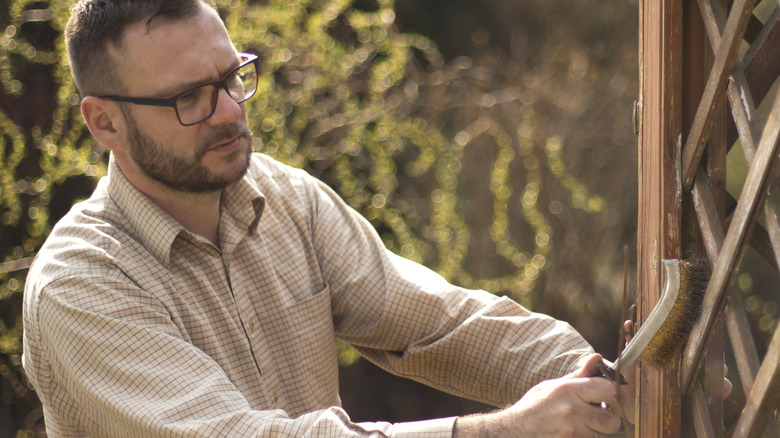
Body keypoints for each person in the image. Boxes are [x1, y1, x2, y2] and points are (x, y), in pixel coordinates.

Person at [22, 0, 629, 436]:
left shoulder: (286, 199)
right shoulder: (79, 288)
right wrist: (499, 432)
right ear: (104, 123)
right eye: (188, 98)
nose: (229, 111)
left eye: (233, 77)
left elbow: (439, 324)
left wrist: (604, 379)